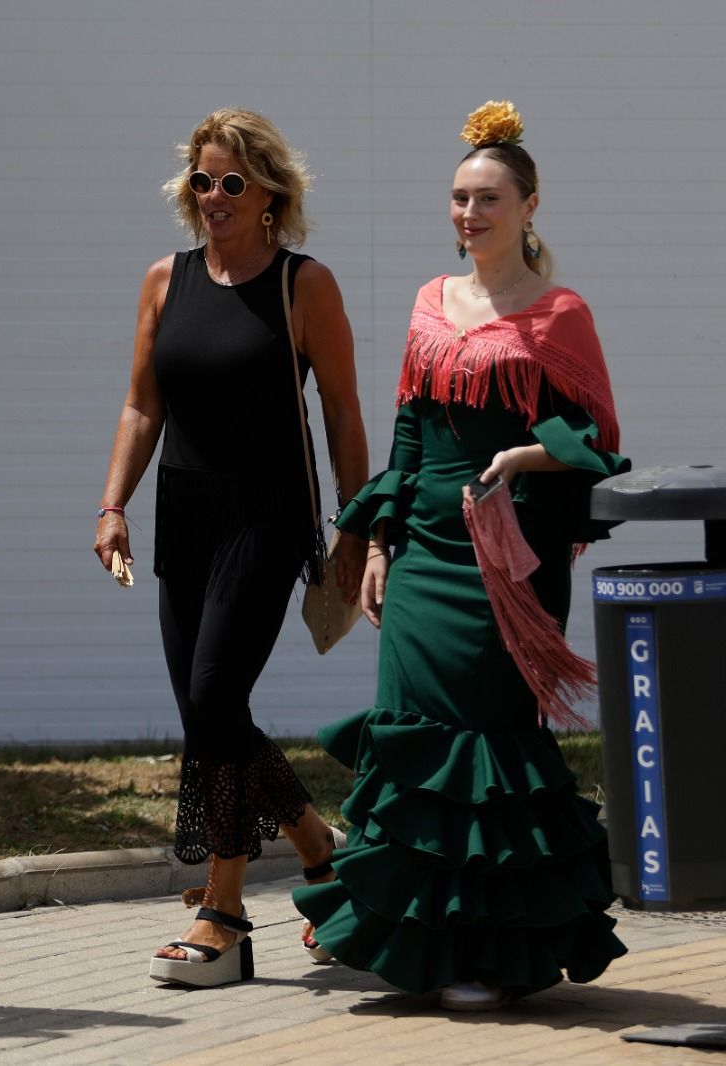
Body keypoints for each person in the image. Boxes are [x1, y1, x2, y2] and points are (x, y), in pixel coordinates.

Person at [293, 101, 629, 1011]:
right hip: (425, 557)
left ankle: (487, 951)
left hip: (507, 564)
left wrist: (525, 453)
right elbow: (408, 429)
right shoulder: (428, 304)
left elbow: (599, 438)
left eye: (487, 200)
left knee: (490, 745)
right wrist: (376, 549)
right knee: (412, 739)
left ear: (528, 207)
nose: (468, 215)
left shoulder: (561, 314)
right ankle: (419, 943)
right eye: (458, 199)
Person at [94, 108, 369, 988]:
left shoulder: (304, 284)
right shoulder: (163, 280)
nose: (213, 197)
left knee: (215, 696)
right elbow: (142, 406)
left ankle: (224, 914)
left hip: (268, 514)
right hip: (184, 513)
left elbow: (341, 413)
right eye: (201, 181)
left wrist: (358, 528)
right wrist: (113, 506)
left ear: (270, 195)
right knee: (210, 716)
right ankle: (321, 850)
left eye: (231, 183)